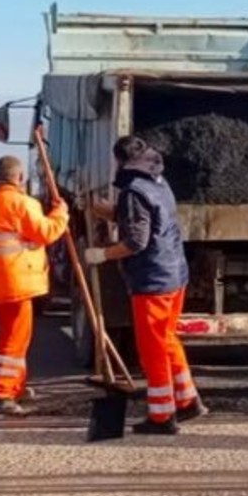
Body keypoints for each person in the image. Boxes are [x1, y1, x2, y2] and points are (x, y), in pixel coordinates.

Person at [84, 135, 207, 435]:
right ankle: (188, 400)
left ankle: (163, 416)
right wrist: (107, 212)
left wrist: (102, 254)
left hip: (153, 279)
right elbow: (147, 220)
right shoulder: (158, 182)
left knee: (152, 349)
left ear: (120, 161)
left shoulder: (133, 192)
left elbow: (136, 240)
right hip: (174, 273)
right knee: (168, 340)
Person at [0, 156, 69, 417]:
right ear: (20, 178)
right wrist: (61, 213)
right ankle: (1, 394)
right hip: (17, 279)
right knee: (14, 339)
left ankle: (15, 386)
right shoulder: (22, 203)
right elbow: (46, 233)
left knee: (15, 336)